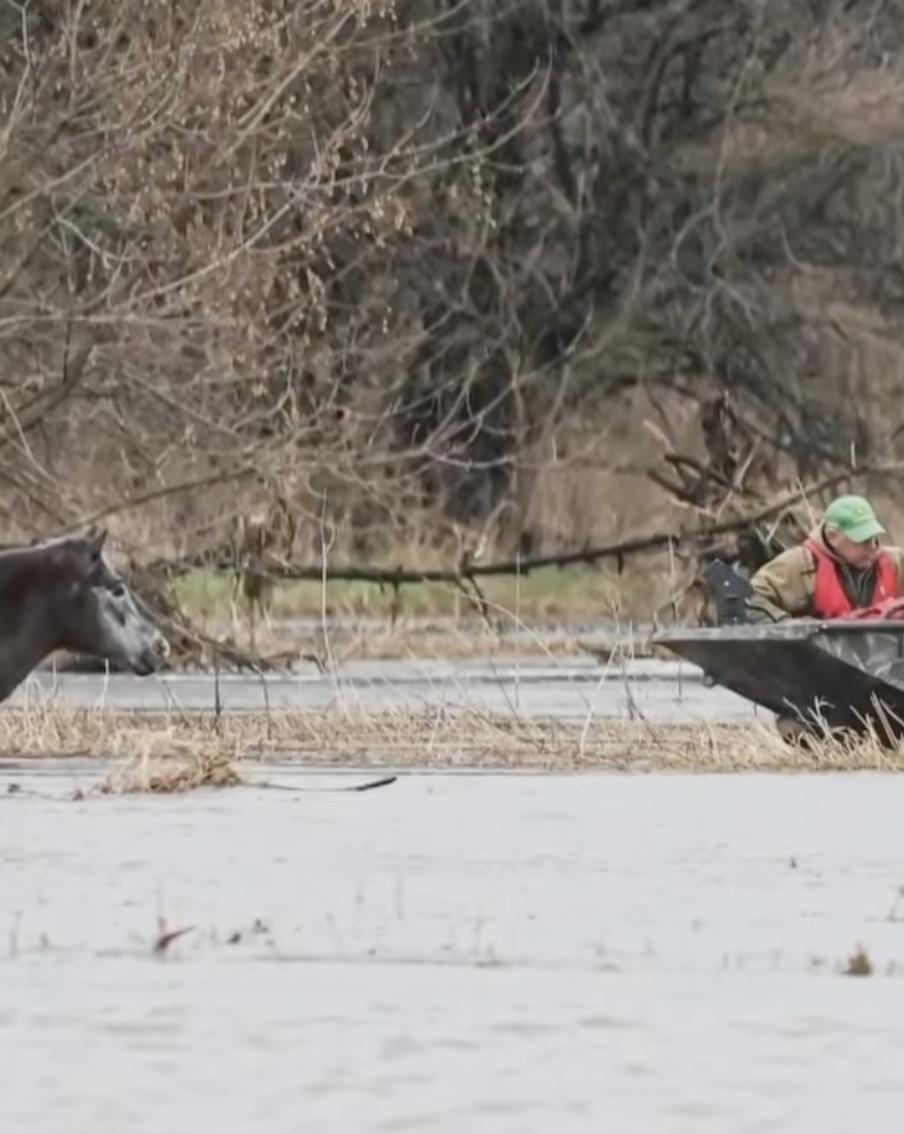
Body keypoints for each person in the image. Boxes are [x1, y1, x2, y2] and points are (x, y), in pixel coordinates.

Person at [747, 495, 904, 622]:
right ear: (833, 537)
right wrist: (788, 626)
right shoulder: (801, 565)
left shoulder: (896, 563)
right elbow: (750, 598)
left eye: (873, 537)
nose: (872, 546)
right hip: (817, 652)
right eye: (862, 540)